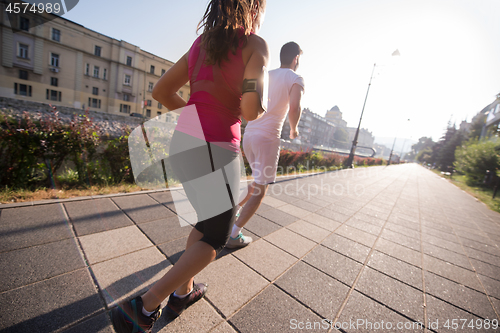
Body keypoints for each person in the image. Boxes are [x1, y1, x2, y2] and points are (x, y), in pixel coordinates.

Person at [110, 1, 268, 332]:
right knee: (216, 237)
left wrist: (194, 115)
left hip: (183, 143)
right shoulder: (255, 45)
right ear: (254, 7)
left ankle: (182, 293)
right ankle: (144, 306)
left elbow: (161, 91)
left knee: (205, 223)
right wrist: (256, 88)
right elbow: (251, 111)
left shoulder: (201, 43)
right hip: (218, 147)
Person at [226, 42, 304, 248]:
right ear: (296, 58)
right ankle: (233, 234)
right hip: (268, 138)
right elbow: (295, 106)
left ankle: (228, 215)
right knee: (261, 188)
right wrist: (294, 129)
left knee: (255, 181)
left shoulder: (266, 74)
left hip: (250, 135)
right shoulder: (295, 78)